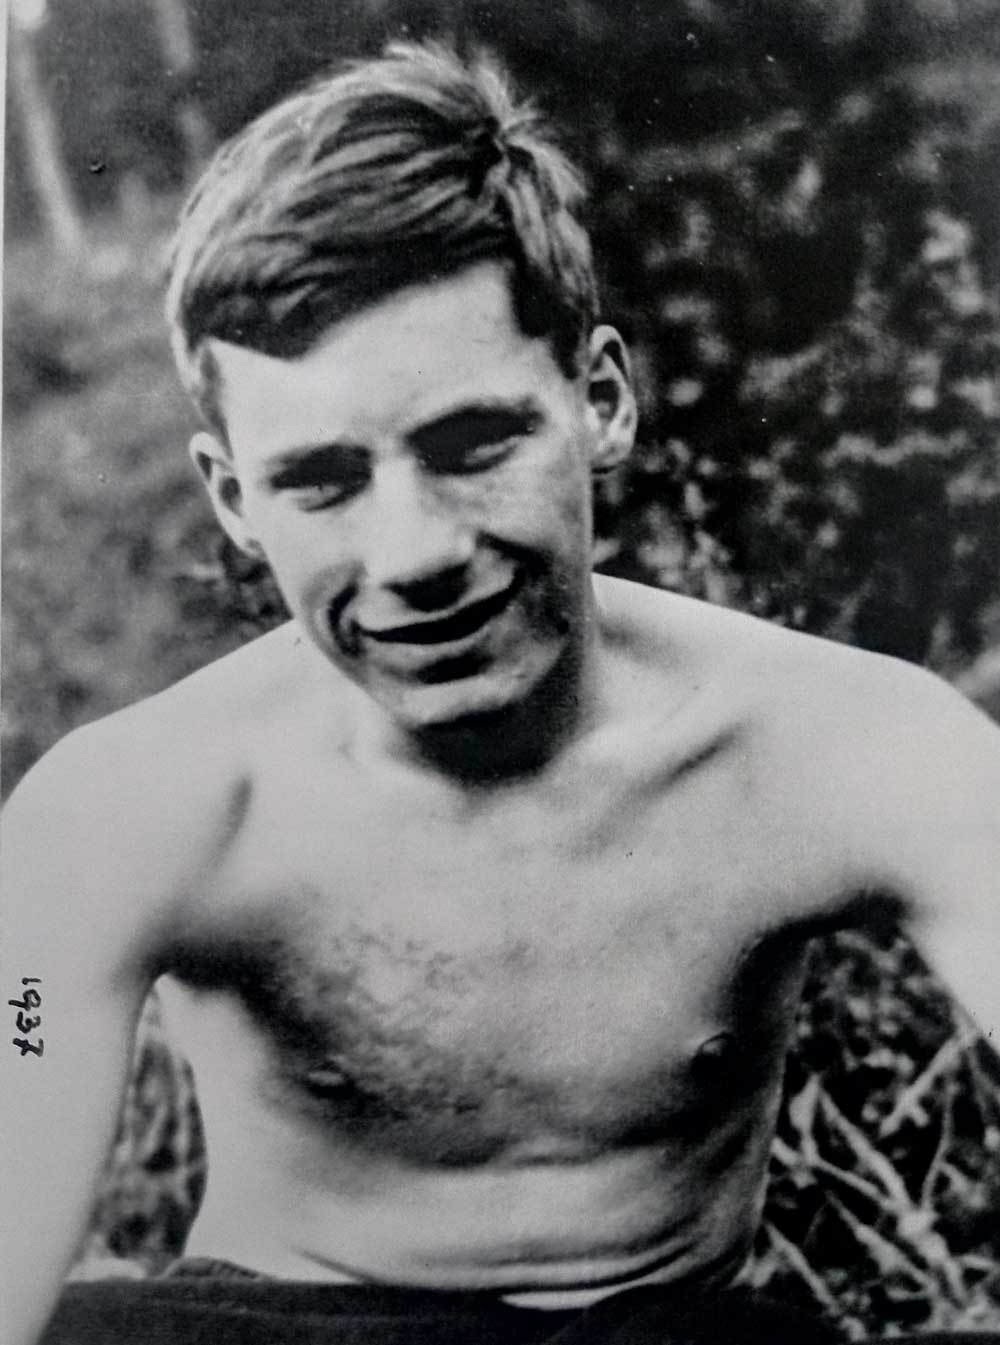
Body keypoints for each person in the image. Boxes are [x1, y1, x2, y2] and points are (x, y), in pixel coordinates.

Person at [3, 39, 999, 1345]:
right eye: (321, 481)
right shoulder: (118, 811)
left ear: (600, 401)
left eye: (473, 444)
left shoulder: (850, 746)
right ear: (235, 499)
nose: (412, 554)